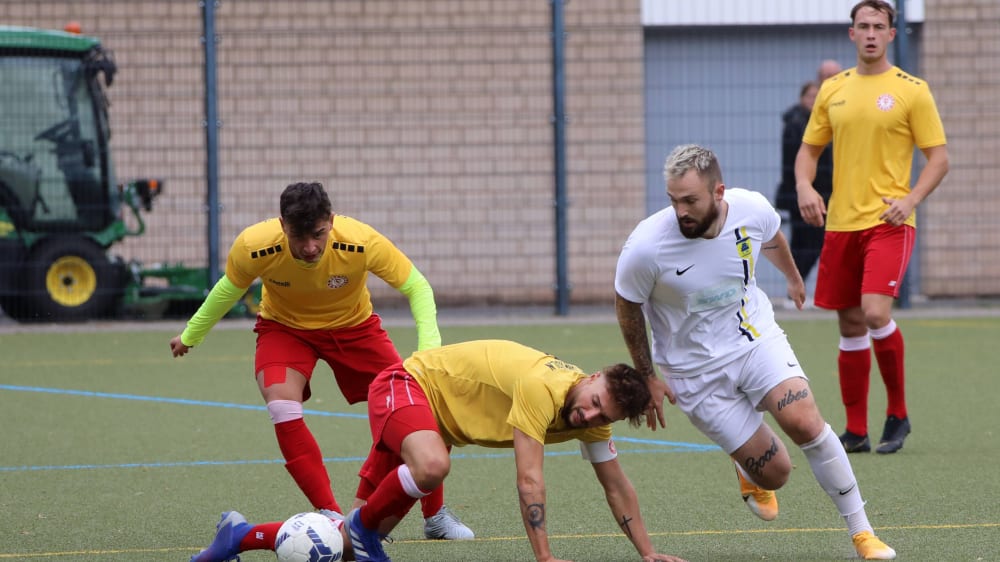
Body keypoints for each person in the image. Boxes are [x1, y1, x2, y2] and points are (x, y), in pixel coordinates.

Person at [615, 144, 896, 560]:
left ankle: (862, 533)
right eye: (674, 201)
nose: (681, 212)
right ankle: (747, 468)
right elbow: (626, 305)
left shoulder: (751, 208)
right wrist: (648, 375)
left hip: (753, 338)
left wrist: (794, 278)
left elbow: (771, 237)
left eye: (690, 200)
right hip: (694, 373)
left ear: (719, 192)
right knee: (777, 473)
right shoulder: (646, 247)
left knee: (804, 421)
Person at [190, 339, 688, 562]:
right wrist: (545, 557)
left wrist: (647, 553)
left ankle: (240, 536)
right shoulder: (547, 388)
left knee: (341, 543)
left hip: (428, 422)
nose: (589, 418)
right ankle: (366, 534)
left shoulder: (593, 421)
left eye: (603, 417)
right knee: (432, 465)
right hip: (405, 387)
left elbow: (617, 485)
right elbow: (529, 479)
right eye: (593, 404)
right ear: (593, 378)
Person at [169, 182, 473, 541]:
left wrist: (428, 350)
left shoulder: (362, 241)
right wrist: (191, 334)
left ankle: (434, 515)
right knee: (281, 404)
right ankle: (330, 514)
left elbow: (416, 286)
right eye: (299, 236)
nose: (310, 247)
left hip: (356, 329)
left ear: (330, 220)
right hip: (284, 330)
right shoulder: (254, 246)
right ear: (283, 225)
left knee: (419, 406)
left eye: (318, 234)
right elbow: (228, 288)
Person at [794, 0, 949, 455]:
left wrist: (911, 199)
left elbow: (939, 158)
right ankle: (857, 430)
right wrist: (805, 185)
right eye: (863, 26)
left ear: (891, 34)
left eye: (879, 27)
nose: (870, 34)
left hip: (889, 222)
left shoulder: (912, 90)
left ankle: (897, 414)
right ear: (851, 34)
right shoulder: (833, 89)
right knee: (849, 323)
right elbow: (809, 149)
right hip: (841, 223)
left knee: (876, 313)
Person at [774, 80, 830, 285]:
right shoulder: (797, 124)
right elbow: (795, 162)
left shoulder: (823, 122)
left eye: (818, 97)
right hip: (803, 193)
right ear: (802, 98)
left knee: (808, 243)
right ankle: (796, 287)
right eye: (810, 97)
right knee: (807, 243)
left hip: (821, 192)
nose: (814, 101)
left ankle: (796, 287)